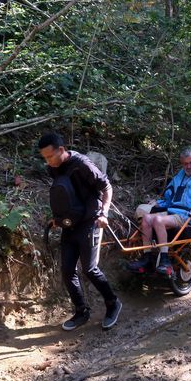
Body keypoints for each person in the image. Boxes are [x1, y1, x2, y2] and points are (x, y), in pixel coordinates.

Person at [38, 133, 122, 331]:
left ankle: (113, 303)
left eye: (50, 156)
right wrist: (57, 218)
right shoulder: (53, 168)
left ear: (61, 150)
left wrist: (104, 213)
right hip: (70, 224)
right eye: (44, 158)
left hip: (91, 221)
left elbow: (106, 187)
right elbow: (64, 193)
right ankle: (81, 311)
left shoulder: (82, 164)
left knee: (89, 269)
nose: (48, 161)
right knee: (67, 270)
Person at [130, 148, 191, 275]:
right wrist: (159, 203)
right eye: (185, 164)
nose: (189, 166)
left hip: (190, 216)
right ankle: (147, 257)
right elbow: (171, 198)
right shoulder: (180, 177)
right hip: (173, 212)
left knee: (158, 220)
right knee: (146, 218)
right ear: (181, 163)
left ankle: (164, 259)